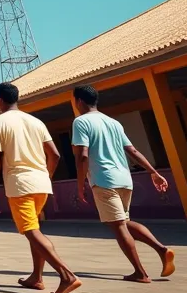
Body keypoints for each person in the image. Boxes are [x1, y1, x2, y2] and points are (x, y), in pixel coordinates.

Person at [71, 85, 176, 282]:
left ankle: (140, 273)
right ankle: (162, 250)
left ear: (80, 101)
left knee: (118, 226)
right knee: (124, 222)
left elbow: (82, 155)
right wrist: (153, 172)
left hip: (104, 180)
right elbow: (133, 151)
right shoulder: (113, 123)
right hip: (124, 179)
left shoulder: (80, 122)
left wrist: (80, 185)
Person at [0, 82, 81, 293]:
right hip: (41, 183)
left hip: (20, 184)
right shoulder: (36, 121)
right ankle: (36, 277)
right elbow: (55, 155)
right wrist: (45, 175)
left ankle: (66, 275)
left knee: (31, 230)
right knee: (34, 228)